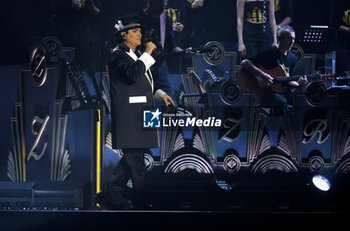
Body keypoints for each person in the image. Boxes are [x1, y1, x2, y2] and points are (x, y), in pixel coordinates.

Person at [95, 15, 174, 209]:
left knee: (136, 155)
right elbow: (132, 74)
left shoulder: (137, 54)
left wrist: (160, 94)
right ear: (124, 35)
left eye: (140, 31)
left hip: (146, 110)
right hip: (130, 115)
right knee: (135, 158)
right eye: (135, 31)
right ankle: (141, 199)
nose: (140, 34)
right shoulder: (117, 55)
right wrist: (147, 53)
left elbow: (143, 83)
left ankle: (110, 192)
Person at [240, 26, 308, 116]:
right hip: (267, 92)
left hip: (285, 92)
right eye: (288, 39)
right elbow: (244, 62)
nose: (291, 42)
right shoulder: (269, 53)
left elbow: (290, 80)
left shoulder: (293, 58)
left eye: (293, 39)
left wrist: (300, 84)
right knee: (282, 102)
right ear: (279, 38)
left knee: (303, 102)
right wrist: (262, 74)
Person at [138, 0, 184, 102]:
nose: (163, 9)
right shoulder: (138, 19)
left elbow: (172, 46)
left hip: (159, 67)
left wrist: (185, 52)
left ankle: (169, 117)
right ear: (151, 2)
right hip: (141, 67)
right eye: (161, 6)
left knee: (169, 100)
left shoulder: (165, 20)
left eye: (164, 6)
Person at [51, 0, 102, 76]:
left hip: (84, 34)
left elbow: (97, 13)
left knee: (83, 66)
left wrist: (81, 7)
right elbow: (55, 9)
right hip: (65, 35)